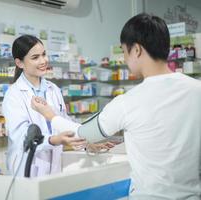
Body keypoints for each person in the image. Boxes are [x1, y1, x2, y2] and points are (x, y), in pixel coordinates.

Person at [31, 13, 201, 199]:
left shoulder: (129, 102)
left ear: (136, 50)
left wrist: (50, 115)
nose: (125, 59)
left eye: (124, 51)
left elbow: (82, 133)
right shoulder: (197, 90)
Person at [2, 34, 86, 177]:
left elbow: (64, 121)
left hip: (54, 165)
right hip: (26, 167)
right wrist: (53, 140)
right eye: (35, 57)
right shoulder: (14, 94)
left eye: (44, 54)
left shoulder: (53, 89)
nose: (43, 61)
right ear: (20, 63)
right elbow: (21, 137)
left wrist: (87, 140)